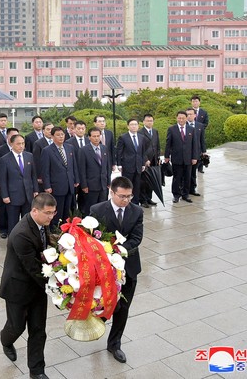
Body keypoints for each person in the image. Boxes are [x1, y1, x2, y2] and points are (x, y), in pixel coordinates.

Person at [0, 193, 57, 379]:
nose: (51, 217)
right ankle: (5, 340)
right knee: (16, 327)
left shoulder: (42, 225)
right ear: (34, 210)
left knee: (38, 330)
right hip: (18, 288)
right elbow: (34, 268)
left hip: (37, 288)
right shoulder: (21, 234)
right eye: (47, 213)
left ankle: (37, 371)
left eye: (53, 213)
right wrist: (59, 287)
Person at [89, 176, 143, 364]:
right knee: (105, 302)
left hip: (128, 267)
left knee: (123, 308)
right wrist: (108, 254)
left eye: (129, 196)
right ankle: (96, 325)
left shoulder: (136, 211)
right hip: (105, 267)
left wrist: (119, 251)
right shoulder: (97, 210)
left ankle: (115, 344)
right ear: (112, 192)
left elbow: (136, 238)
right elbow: (92, 239)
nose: (126, 200)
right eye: (122, 196)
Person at [0, 134, 39, 233]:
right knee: (13, 222)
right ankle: (13, 242)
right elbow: (2, 180)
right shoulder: (4, 159)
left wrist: (35, 190)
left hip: (27, 195)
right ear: (11, 144)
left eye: (23, 143)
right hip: (13, 196)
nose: (21, 146)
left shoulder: (29, 156)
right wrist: (5, 195)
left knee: (27, 220)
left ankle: (26, 240)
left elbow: (33, 175)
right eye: (18, 144)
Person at [40, 126, 79, 225]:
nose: (61, 137)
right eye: (58, 135)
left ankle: (66, 229)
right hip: (56, 186)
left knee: (68, 210)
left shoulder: (69, 147)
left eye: (62, 134)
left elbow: (74, 165)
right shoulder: (47, 150)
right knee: (57, 211)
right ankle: (55, 230)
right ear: (52, 137)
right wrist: (47, 186)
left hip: (69, 184)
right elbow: (45, 170)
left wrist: (76, 179)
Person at [164, 111, 200, 203]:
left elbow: (194, 144)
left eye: (183, 118)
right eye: (179, 118)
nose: (181, 120)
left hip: (188, 158)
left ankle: (185, 194)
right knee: (177, 178)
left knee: (187, 177)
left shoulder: (191, 129)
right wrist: (166, 156)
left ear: (186, 118)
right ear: (177, 118)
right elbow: (168, 144)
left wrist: (195, 157)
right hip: (177, 158)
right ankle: (176, 195)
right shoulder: (172, 129)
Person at [0, 128, 20, 238]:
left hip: (16, 184)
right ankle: (3, 229)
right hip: (4, 184)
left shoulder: (21, 148)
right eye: (12, 136)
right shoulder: (0, 150)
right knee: (4, 208)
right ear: (7, 137)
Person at [116, 119, 150, 205]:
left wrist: (143, 164)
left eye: (135, 124)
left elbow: (142, 152)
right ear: (128, 126)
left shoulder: (141, 137)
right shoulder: (123, 137)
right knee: (127, 186)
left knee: (137, 186)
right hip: (127, 166)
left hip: (138, 166)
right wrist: (119, 164)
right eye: (132, 124)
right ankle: (126, 203)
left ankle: (135, 203)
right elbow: (119, 151)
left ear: (138, 126)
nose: (134, 126)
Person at [79, 127, 112, 213]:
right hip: (90, 186)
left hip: (103, 184)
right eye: (94, 136)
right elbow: (82, 169)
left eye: (98, 136)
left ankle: (101, 226)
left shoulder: (104, 148)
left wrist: (108, 181)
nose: (96, 138)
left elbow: (107, 166)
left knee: (103, 208)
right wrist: (84, 185)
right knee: (91, 208)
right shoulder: (84, 150)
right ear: (89, 137)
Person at [65, 120, 90, 212]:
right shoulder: (68, 142)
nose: (81, 130)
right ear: (74, 129)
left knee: (85, 200)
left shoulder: (89, 141)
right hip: (73, 175)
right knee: (72, 201)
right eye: (78, 128)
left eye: (83, 128)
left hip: (87, 176)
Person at [138, 114, 160, 207]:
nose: (149, 122)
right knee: (143, 181)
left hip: (154, 160)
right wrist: (145, 159)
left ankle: (149, 198)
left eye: (151, 120)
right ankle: (143, 200)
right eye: (147, 120)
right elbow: (140, 148)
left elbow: (157, 146)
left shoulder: (155, 131)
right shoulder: (140, 132)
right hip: (145, 160)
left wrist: (158, 158)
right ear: (143, 122)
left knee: (151, 180)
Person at [186, 108, 206, 196]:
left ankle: (192, 189)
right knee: (185, 173)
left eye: (191, 114)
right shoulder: (183, 126)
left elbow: (202, 140)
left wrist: (203, 151)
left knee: (193, 172)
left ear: (195, 115)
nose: (189, 116)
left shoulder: (200, 126)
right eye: (187, 114)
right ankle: (184, 189)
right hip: (186, 153)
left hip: (196, 152)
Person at [32, 122, 54, 192]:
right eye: (48, 129)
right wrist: (39, 176)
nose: (50, 131)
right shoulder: (38, 143)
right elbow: (36, 161)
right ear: (43, 131)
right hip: (44, 175)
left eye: (52, 129)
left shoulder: (57, 141)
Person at [191, 95, 208, 173]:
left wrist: (199, 129)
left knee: (200, 149)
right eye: (193, 101)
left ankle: (200, 167)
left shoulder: (203, 112)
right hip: (189, 133)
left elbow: (206, 123)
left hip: (200, 133)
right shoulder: (188, 112)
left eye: (196, 101)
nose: (195, 103)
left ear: (199, 102)